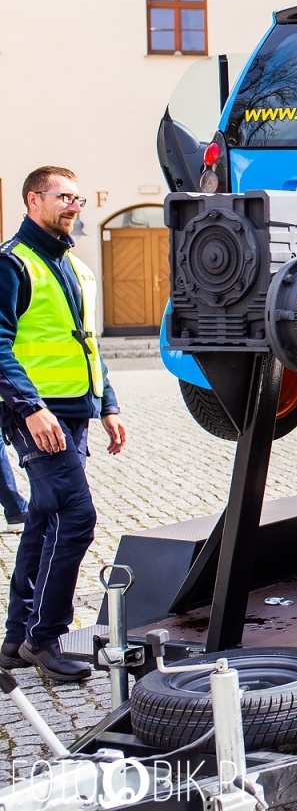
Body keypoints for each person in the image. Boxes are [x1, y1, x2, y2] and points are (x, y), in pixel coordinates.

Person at [0, 167, 126, 683]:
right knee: (77, 515)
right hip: (36, 413)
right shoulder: (13, 263)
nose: (73, 205)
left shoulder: (74, 264)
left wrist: (108, 403)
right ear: (34, 200)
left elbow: (87, 341)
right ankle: (44, 638)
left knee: (46, 516)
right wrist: (30, 406)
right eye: (63, 197)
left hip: (74, 409)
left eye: (77, 197)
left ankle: (14, 640)